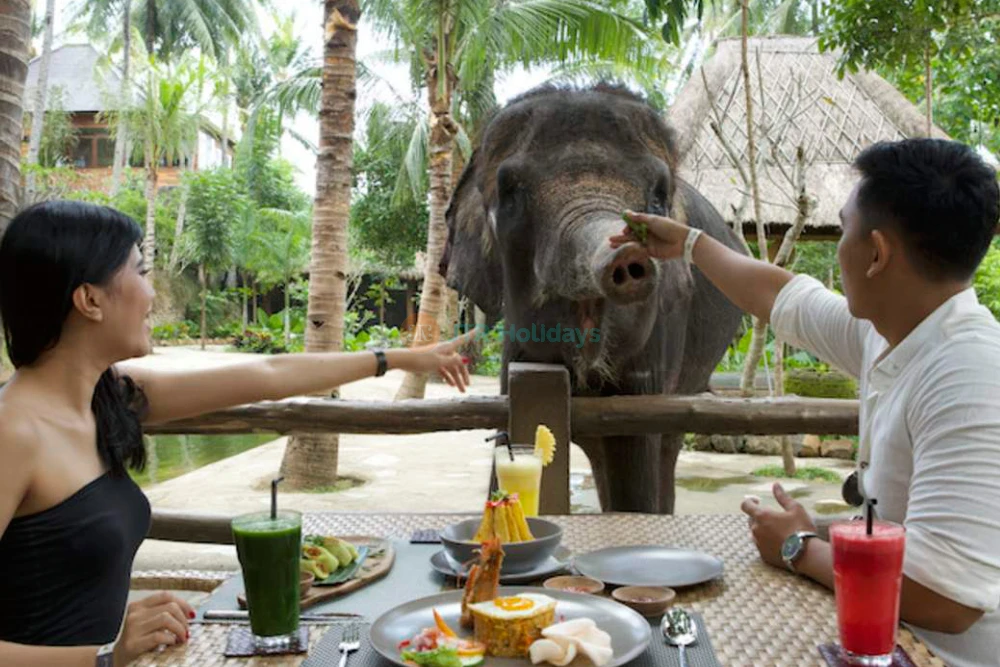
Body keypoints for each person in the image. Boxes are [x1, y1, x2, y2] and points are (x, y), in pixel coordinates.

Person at [0, 201, 477, 666]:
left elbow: (268, 375)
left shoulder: (108, 397)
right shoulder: (12, 432)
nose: (151, 294)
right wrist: (104, 657)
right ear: (89, 300)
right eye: (141, 272)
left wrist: (399, 358)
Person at [612, 138, 1000, 667]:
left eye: (844, 229)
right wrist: (689, 243)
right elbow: (781, 296)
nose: (839, 247)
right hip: (878, 641)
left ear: (877, 254)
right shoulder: (895, 332)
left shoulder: (970, 375)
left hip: (934, 655)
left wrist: (799, 548)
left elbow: (949, 600)